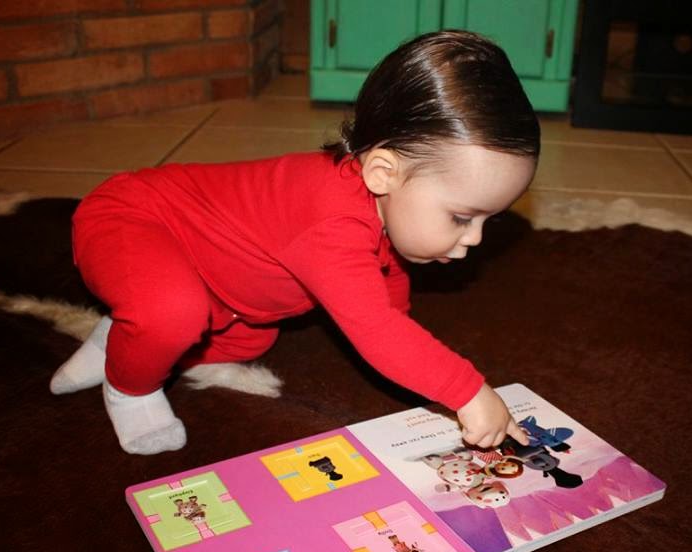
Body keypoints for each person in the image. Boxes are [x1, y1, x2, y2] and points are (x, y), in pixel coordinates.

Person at [49, 30, 539, 455]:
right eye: (461, 217)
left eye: (489, 220)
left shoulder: (382, 203)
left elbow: (389, 302)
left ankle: (123, 335)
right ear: (382, 172)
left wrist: (414, 354)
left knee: (248, 337)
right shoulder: (332, 220)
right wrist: (467, 391)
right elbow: (376, 330)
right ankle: (129, 387)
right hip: (132, 217)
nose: (474, 239)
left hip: (217, 281)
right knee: (172, 314)